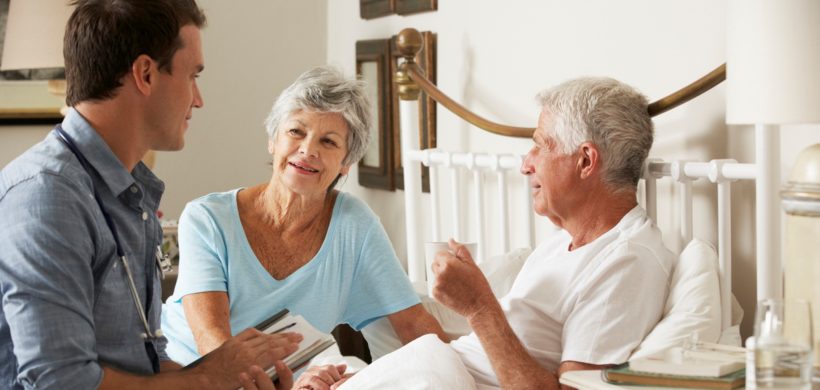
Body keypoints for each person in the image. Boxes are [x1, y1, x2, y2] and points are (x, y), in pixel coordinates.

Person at [0, 1, 300, 389]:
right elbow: (63, 383)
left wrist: (237, 374)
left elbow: (144, 362)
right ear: (145, 74)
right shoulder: (47, 197)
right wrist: (209, 378)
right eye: (192, 76)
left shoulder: (129, 194)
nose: (198, 99)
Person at [316, 77, 676, 390]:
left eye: (540, 145)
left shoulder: (627, 262)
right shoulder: (561, 244)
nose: (525, 164)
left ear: (585, 161)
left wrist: (479, 306)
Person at [160, 66, 447, 367]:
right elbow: (214, 347)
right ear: (273, 140)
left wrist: (462, 377)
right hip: (194, 378)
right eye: (296, 132)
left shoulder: (355, 226)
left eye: (328, 141)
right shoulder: (207, 219)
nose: (308, 150)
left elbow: (414, 325)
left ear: (346, 162)